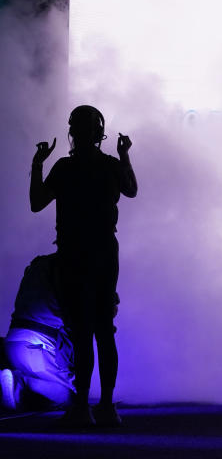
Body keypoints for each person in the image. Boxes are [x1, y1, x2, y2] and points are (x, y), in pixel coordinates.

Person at [29, 105, 137, 426]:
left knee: (82, 331)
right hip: (104, 253)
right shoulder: (110, 166)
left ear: (72, 132)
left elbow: (37, 203)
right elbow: (131, 189)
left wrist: (38, 163)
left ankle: (80, 406)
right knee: (105, 330)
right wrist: (125, 155)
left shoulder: (64, 168)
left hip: (74, 255)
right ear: (99, 132)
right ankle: (106, 406)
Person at [0, 254, 76, 412]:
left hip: (13, 341)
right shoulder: (69, 268)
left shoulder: (38, 266)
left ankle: (17, 388)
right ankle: (19, 383)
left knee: (45, 389)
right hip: (36, 347)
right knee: (69, 397)